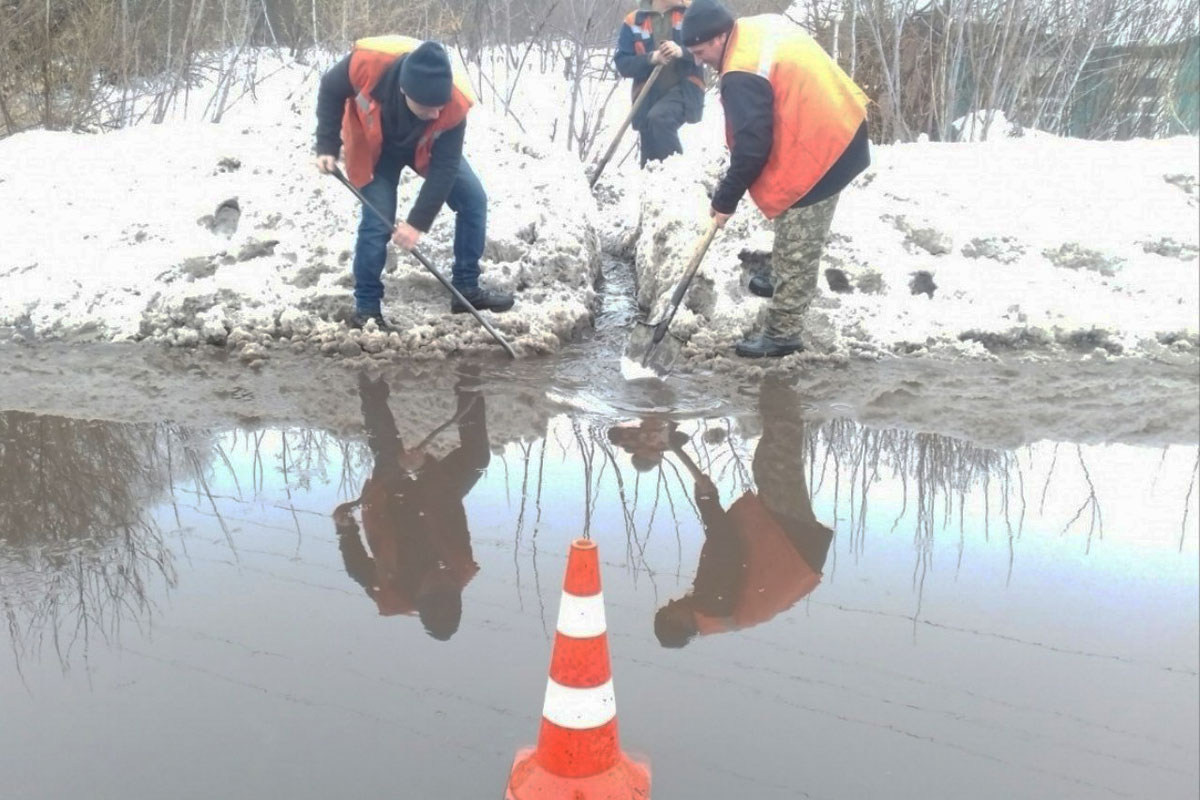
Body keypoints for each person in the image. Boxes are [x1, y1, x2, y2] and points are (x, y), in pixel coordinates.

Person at [681, 0, 871, 358]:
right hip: (826, 118)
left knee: (800, 231)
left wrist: (724, 200)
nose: (698, 59)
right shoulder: (752, 30)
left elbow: (752, 149)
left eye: (702, 50)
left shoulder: (740, 73)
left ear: (720, 37)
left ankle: (783, 333)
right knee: (789, 211)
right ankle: (784, 271)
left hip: (827, 147)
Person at [314, 37, 514, 330]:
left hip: (427, 148)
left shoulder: (455, 101)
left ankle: (466, 288)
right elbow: (330, 90)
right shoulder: (367, 63)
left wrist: (416, 224)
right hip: (374, 147)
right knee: (376, 222)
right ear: (404, 90)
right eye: (427, 107)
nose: (436, 114)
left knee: (474, 200)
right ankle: (367, 309)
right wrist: (326, 145)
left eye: (439, 106)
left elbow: (445, 168)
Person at [651, 380, 834, 648]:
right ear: (678, 622)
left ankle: (785, 394)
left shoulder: (713, 613)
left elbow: (726, 547)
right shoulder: (711, 604)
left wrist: (707, 501)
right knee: (778, 461)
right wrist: (707, 500)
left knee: (770, 464)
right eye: (668, 610)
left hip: (792, 549)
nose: (670, 602)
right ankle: (781, 380)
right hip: (789, 543)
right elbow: (724, 545)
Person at [331, 370, 490, 640]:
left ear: (420, 595)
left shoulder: (390, 591)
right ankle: (470, 391)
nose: (441, 577)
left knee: (388, 454)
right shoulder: (459, 565)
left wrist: (346, 530)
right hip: (437, 501)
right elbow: (448, 506)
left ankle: (371, 388)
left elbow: (357, 567)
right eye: (448, 585)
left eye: (435, 586)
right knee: (477, 458)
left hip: (390, 504)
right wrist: (424, 468)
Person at [614, 0, 706, 165]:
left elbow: (707, 49)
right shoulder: (633, 21)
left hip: (685, 89)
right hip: (647, 95)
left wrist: (681, 51)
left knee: (660, 118)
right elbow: (623, 65)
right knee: (649, 156)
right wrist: (652, 58)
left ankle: (677, 177)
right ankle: (653, 183)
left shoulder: (691, 14)